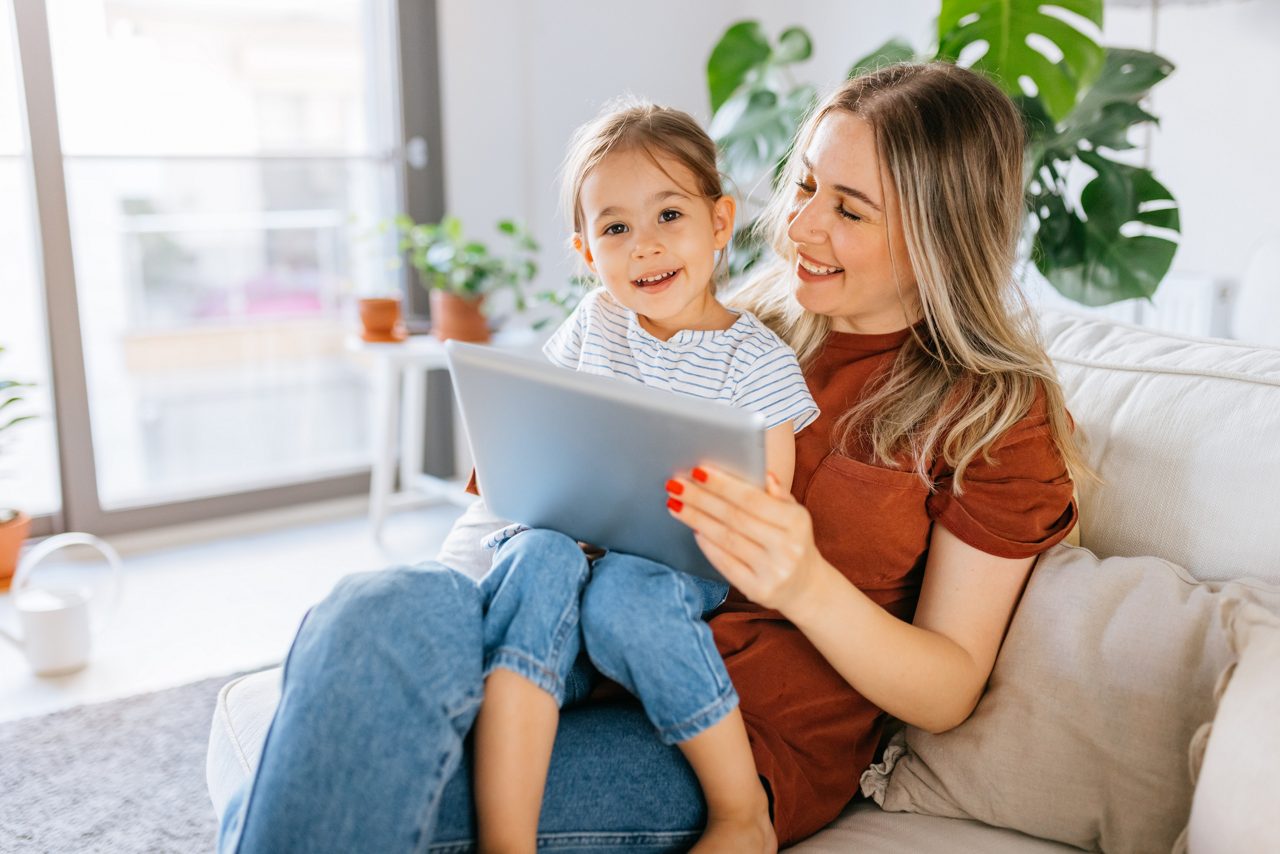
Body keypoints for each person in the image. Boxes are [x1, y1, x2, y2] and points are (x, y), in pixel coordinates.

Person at [217, 61, 1082, 853]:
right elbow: (533, 473)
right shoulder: (731, 322)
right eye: (807, 184)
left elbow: (947, 687)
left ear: (941, 233)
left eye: (849, 210)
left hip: (720, 732)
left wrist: (803, 582)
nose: (800, 225)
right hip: (567, 641)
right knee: (367, 610)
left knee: (360, 791)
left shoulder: (989, 414)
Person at [469, 102, 817, 854]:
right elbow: (540, 421)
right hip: (569, 544)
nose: (646, 246)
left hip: (672, 562)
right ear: (586, 250)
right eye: (616, 228)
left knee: (628, 592)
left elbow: (768, 496)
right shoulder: (593, 323)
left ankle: (739, 812)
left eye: (669, 215)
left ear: (720, 223)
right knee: (534, 558)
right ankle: (507, 837)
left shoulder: (752, 359)